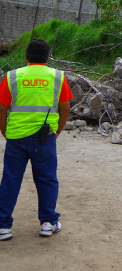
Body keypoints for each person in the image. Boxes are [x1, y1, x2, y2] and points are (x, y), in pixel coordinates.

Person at [0, 39, 73, 241]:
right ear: (48, 57)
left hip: (16, 137)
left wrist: (5, 131)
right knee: (47, 179)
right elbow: (66, 107)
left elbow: (1, 107)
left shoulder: (12, 76)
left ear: (25, 57)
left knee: (10, 180)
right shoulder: (57, 77)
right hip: (45, 137)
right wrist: (56, 132)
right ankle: (48, 223)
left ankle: (3, 226)